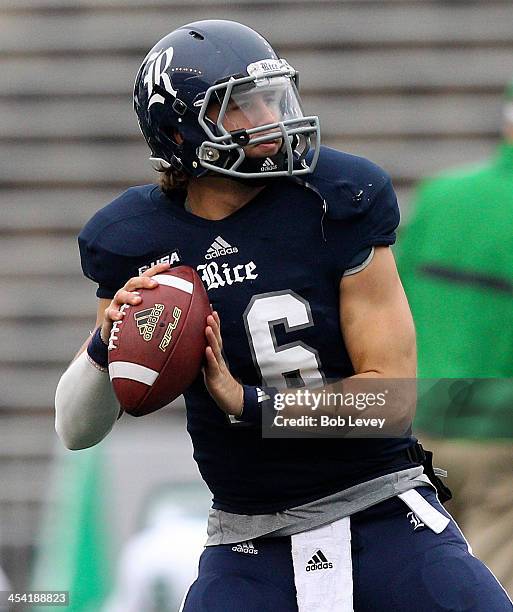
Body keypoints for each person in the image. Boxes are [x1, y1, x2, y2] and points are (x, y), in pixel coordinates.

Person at [54, 20, 512, 611]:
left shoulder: (337, 200)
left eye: (272, 97)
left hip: (382, 508)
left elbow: (392, 401)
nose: (268, 117)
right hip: (251, 537)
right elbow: (76, 430)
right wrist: (105, 342)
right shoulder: (135, 239)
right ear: (178, 129)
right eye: (241, 107)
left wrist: (251, 405)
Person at [396, 78, 513, 594]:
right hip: (499, 436)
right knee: (486, 586)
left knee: (421, 579)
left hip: (420, 422)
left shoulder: (441, 195)